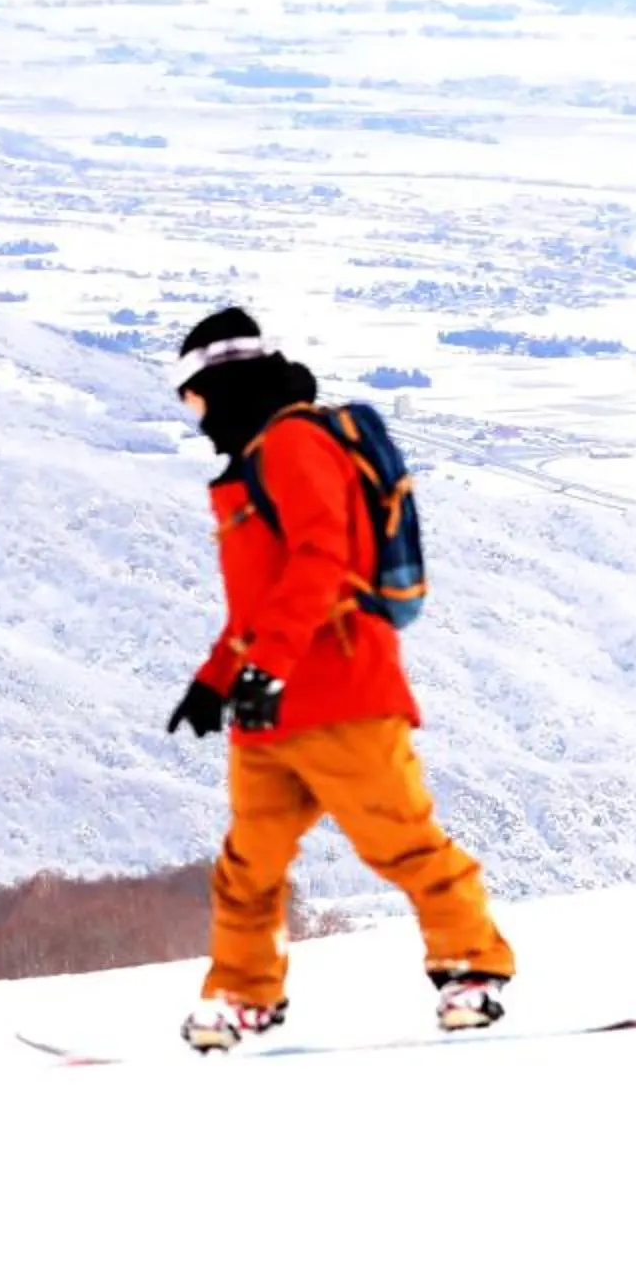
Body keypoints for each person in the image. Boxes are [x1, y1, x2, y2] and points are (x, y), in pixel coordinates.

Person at [163, 308, 516, 1051]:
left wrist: (266, 668)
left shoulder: (293, 442)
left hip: (344, 693)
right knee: (245, 867)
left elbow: (324, 562)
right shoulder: (251, 461)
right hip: (270, 712)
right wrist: (213, 680)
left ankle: (472, 970)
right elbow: (256, 605)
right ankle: (241, 995)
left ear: (222, 384)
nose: (195, 417)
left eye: (193, 398)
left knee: (401, 842)